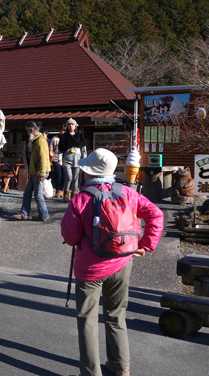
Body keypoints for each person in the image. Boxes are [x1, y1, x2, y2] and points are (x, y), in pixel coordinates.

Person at [61, 148, 163, 376]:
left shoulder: (81, 199)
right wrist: (146, 244)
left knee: (87, 320)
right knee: (116, 316)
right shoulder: (128, 193)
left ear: (89, 173)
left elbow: (71, 237)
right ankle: (120, 368)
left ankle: (91, 372)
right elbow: (156, 214)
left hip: (90, 269)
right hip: (123, 263)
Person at [13, 121, 50, 222]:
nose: (27, 133)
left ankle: (44, 215)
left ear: (32, 130)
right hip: (34, 171)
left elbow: (43, 158)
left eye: (27, 131)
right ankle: (24, 214)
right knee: (27, 192)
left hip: (39, 172)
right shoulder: (36, 140)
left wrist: (42, 174)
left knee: (38, 195)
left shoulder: (40, 141)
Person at [59, 118, 87, 202]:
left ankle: (74, 195)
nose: (71, 126)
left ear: (75, 126)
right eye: (69, 124)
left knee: (76, 178)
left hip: (77, 159)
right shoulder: (64, 136)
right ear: (67, 126)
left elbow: (83, 148)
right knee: (69, 177)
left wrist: (84, 159)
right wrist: (60, 160)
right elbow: (60, 149)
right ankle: (66, 194)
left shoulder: (80, 136)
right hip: (67, 159)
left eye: (72, 124)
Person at [50, 125, 66, 198]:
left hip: (65, 160)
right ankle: (58, 190)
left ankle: (62, 190)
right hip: (56, 159)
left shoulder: (68, 138)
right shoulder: (55, 138)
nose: (63, 132)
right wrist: (51, 159)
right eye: (62, 130)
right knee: (58, 175)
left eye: (65, 131)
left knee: (64, 176)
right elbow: (51, 149)